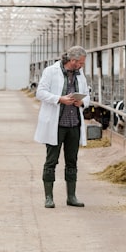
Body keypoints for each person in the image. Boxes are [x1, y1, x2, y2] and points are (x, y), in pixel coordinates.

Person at [33, 45, 90, 208]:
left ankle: (71, 197)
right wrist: (59, 99)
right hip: (56, 125)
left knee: (72, 161)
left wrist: (82, 102)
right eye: (81, 63)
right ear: (72, 60)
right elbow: (40, 92)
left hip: (74, 124)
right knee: (51, 161)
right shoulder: (51, 71)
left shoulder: (80, 75)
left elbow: (87, 95)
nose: (82, 66)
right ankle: (48, 197)